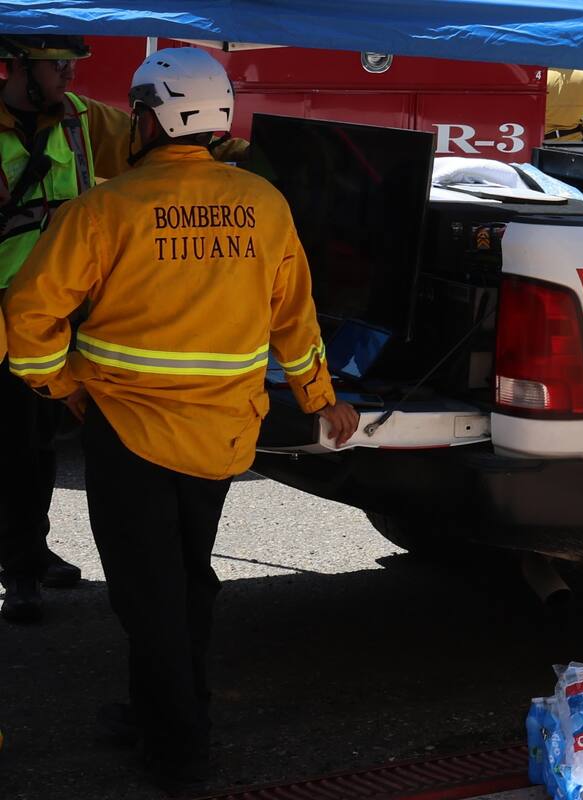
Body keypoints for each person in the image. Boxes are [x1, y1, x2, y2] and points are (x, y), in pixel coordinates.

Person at [3, 46, 359, 790]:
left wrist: (60, 384)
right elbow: (295, 317)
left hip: (127, 434)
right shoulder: (263, 204)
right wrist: (323, 397)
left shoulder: (105, 208)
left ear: (150, 118)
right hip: (224, 435)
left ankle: (177, 747)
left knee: (147, 594)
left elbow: (26, 317)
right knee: (186, 581)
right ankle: (165, 710)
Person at [0, 34, 246, 623]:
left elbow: (173, 140)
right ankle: (18, 567)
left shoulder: (87, 120)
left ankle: (27, 554)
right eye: (56, 65)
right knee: (10, 445)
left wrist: (247, 154)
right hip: (9, 308)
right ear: (15, 68)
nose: (67, 76)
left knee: (36, 445)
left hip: (60, 310)